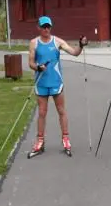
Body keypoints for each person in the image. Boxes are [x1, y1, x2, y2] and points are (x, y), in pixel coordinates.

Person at [27, 16, 85, 157]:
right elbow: (31, 63)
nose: (46, 29)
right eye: (44, 26)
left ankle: (65, 139)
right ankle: (40, 141)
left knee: (61, 111)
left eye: (48, 26)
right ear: (39, 28)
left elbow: (75, 53)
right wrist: (38, 68)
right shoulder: (34, 43)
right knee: (42, 112)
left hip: (56, 83)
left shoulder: (57, 41)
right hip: (41, 83)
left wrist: (81, 45)